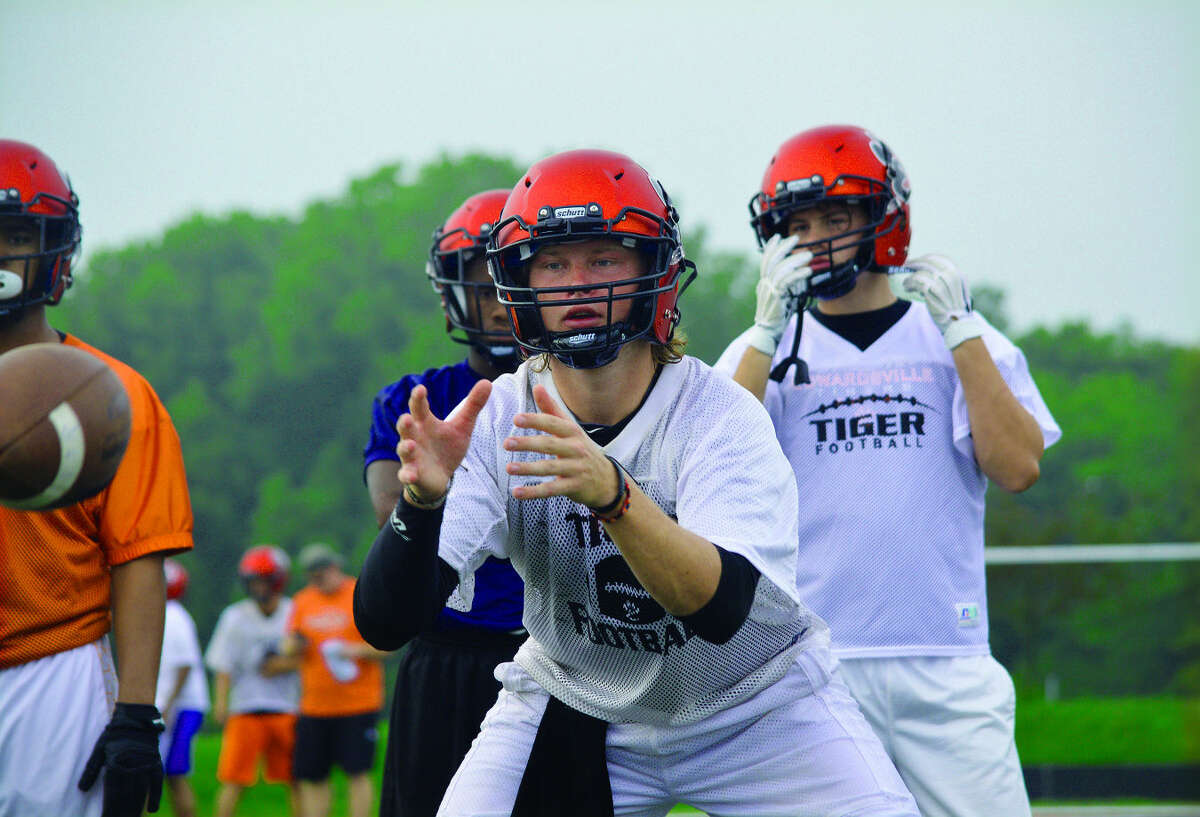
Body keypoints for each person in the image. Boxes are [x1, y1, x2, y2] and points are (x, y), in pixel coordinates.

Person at [355, 149, 919, 816]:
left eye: (603, 257)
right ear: (519, 280)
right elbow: (385, 623)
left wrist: (614, 494)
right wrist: (420, 506)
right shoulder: (497, 415)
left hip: (755, 704)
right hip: (580, 698)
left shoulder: (717, 413)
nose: (575, 284)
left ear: (653, 269)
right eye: (553, 262)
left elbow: (717, 609)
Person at [716, 124, 1062, 817]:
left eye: (835, 218)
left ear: (884, 218)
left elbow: (1018, 464)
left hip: (946, 655)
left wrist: (961, 330)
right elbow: (720, 467)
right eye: (799, 223)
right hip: (810, 666)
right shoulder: (766, 348)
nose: (815, 238)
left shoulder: (959, 334)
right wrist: (762, 336)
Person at [0, 139, 194, 817]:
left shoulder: (116, 396)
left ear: (52, 248)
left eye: (15, 234)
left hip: (49, 671)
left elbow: (139, 556)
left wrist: (136, 715)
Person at [357, 189, 525, 817]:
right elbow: (394, 530)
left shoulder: (589, 392)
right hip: (444, 658)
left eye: (514, 283)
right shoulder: (415, 398)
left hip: (560, 658)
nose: (502, 304)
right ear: (454, 295)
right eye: (486, 287)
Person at [281, 542, 388, 817]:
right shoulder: (302, 602)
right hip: (315, 706)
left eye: (323, 573)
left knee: (358, 772)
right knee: (313, 775)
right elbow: (290, 645)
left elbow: (386, 646)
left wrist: (354, 650)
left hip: (358, 703)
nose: (319, 580)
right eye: (313, 576)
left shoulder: (358, 593)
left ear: (334, 568)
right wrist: (293, 646)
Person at [205, 544, 301, 817]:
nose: (259, 587)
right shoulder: (235, 617)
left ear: (278, 580)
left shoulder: (294, 611)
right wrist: (221, 703)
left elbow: (310, 657)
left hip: (286, 706)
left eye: (264, 580)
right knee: (234, 780)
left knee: (296, 780)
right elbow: (223, 664)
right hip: (246, 708)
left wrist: (284, 664)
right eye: (254, 581)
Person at [156, 558, 209, 817]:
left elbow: (184, 664)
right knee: (167, 775)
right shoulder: (169, 614)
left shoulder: (173, 615)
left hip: (181, 706)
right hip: (176, 705)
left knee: (174, 775)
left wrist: (168, 704)